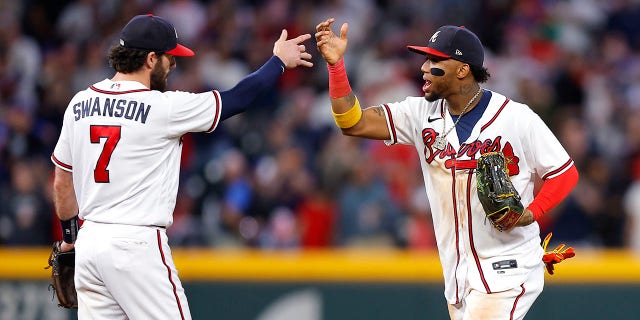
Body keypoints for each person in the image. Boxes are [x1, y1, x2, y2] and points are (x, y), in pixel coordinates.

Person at [51, 14, 312, 319]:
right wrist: (277, 62)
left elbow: (61, 182)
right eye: (169, 58)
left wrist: (71, 238)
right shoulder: (163, 107)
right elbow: (237, 99)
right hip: (136, 244)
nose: (173, 66)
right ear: (151, 59)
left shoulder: (80, 103)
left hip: (90, 241)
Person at [315, 18, 579, 320]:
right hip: (458, 275)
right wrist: (336, 66)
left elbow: (564, 173)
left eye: (435, 59)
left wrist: (531, 212)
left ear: (463, 69)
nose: (424, 67)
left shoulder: (517, 118)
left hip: (509, 265)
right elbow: (353, 123)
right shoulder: (419, 114)